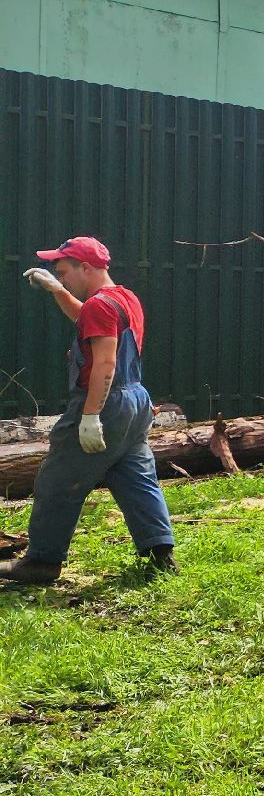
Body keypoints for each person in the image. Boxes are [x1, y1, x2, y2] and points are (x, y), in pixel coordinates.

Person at [1, 237, 175, 584]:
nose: (61, 278)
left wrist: (91, 415)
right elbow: (88, 317)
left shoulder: (101, 306)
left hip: (106, 402)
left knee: (58, 478)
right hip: (136, 401)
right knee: (135, 477)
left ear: (86, 268)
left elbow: (106, 362)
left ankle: (42, 562)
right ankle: (160, 554)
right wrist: (55, 290)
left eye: (63, 272)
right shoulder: (123, 298)